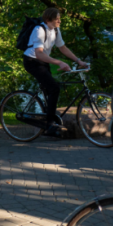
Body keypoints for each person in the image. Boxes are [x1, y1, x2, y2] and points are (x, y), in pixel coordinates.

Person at [22, 8, 88, 137]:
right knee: (54, 88)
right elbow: (39, 54)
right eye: (57, 19)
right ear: (48, 19)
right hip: (32, 61)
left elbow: (63, 48)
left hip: (42, 61)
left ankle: (48, 121)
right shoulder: (39, 30)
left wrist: (79, 61)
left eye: (59, 18)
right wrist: (59, 62)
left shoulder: (56, 30)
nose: (59, 21)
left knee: (50, 90)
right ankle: (50, 125)